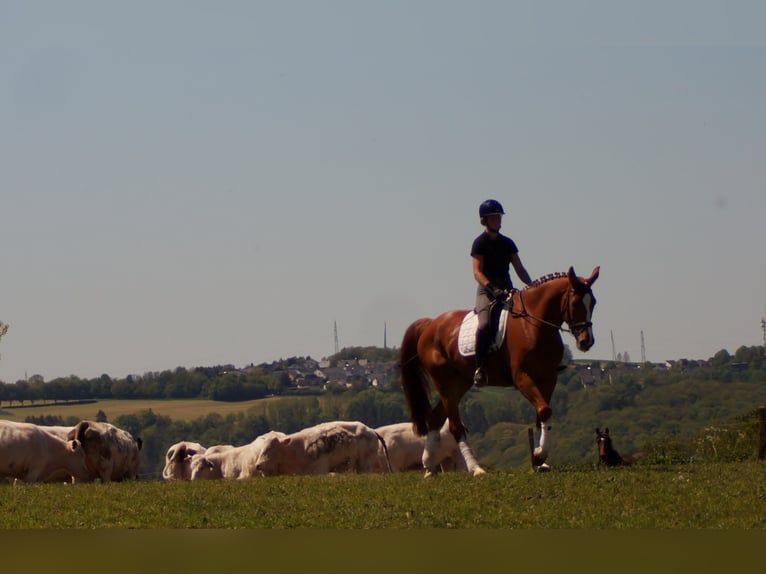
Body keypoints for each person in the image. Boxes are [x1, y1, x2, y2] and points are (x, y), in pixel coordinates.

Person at [470, 199, 532, 386]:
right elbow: (477, 272)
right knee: (485, 325)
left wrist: (532, 285)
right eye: (494, 217)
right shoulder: (479, 243)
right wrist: (491, 287)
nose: (498, 220)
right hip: (486, 291)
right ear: (484, 221)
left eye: (498, 216)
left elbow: (520, 269)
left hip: (507, 289)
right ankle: (479, 367)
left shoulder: (508, 243)